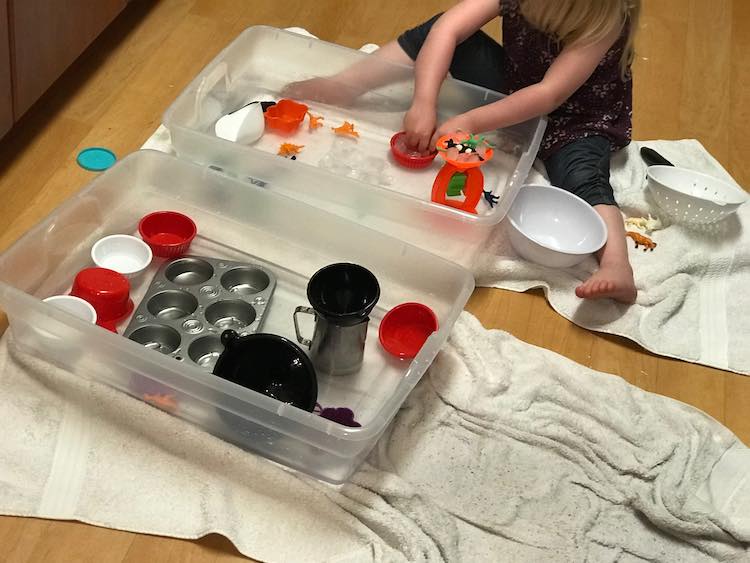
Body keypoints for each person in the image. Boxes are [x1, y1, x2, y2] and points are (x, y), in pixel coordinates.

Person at [287, 0, 640, 303]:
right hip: (515, 84)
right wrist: (423, 101)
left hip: (573, 121)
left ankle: (616, 264)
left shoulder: (606, 19)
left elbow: (549, 95)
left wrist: (471, 121)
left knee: (582, 176)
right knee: (435, 30)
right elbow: (448, 30)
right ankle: (345, 86)